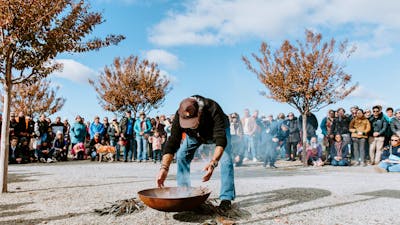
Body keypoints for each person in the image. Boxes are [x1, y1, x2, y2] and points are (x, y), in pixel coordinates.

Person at [157, 95, 235, 210]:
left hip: (216, 133)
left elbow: (221, 140)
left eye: (192, 122)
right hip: (194, 137)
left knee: (226, 160)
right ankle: (184, 193)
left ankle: (226, 197)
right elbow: (173, 142)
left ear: (200, 112)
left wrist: (213, 163)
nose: (190, 125)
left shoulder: (212, 108)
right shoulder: (179, 114)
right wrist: (164, 168)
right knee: (182, 155)